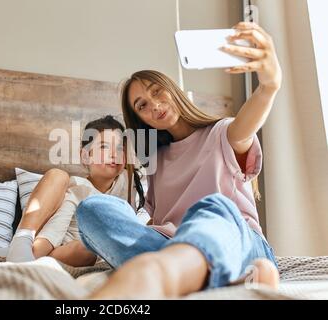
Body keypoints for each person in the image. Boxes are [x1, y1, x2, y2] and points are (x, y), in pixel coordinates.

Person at [76, 21, 282, 298]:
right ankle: (226, 279)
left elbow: (249, 122)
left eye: (156, 91)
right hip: (174, 244)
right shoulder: (155, 161)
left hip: (237, 239)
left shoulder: (222, 133)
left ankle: (161, 273)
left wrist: (269, 85)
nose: (155, 106)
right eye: (142, 106)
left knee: (214, 207)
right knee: (91, 210)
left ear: (172, 89)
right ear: (140, 119)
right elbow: (158, 222)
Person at [7, 115, 144, 267]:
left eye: (119, 148)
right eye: (104, 147)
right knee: (58, 176)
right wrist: (35, 253)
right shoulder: (79, 187)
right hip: (58, 246)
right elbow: (55, 229)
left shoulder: (128, 184)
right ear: (85, 156)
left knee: (89, 249)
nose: (114, 154)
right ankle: (24, 246)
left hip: (90, 252)